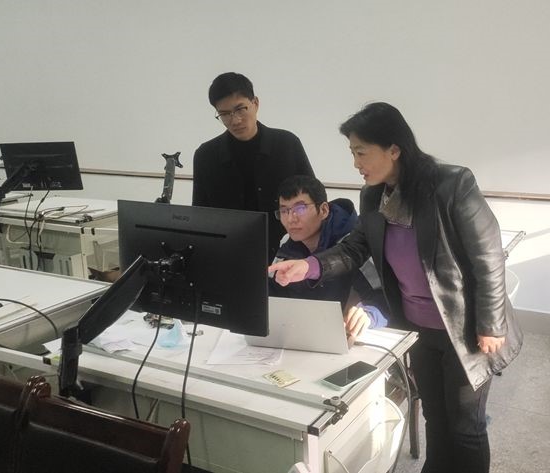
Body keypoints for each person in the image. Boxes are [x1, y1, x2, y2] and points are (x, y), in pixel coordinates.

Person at [270, 102, 523, 473]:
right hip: (417, 327)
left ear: (393, 149)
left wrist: (491, 324)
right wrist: (308, 266)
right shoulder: (374, 195)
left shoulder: (452, 184)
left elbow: (489, 258)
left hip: (464, 328)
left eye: (361, 152)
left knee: (466, 427)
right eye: (352, 153)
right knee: (435, 416)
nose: (355, 163)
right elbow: (355, 247)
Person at [192, 72, 315, 262]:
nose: (235, 120)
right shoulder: (206, 156)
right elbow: (200, 217)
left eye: (240, 109)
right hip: (229, 256)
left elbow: (313, 200)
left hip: (289, 253)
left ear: (255, 103)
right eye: (224, 114)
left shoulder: (287, 144)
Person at [269, 175, 387, 339]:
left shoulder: (354, 245)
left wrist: (369, 314)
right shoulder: (287, 245)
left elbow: (383, 297)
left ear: (323, 210)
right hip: (301, 335)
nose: (291, 219)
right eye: (284, 211)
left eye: (300, 209)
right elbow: (271, 296)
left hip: (348, 336)